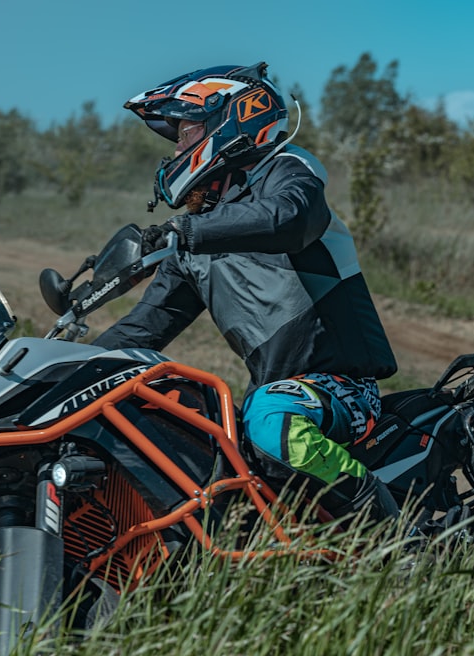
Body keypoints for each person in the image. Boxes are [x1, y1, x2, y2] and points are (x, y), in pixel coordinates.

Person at [93, 62, 399, 525]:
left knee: (271, 419)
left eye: (184, 132)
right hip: (277, 393)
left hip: (341, 391)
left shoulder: (287, 170)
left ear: (227, 123)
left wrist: (182, 230)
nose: (176, 148)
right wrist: (61, 372)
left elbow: (288, 218)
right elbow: (141, 330)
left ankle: (394, 535)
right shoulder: (196, 244)